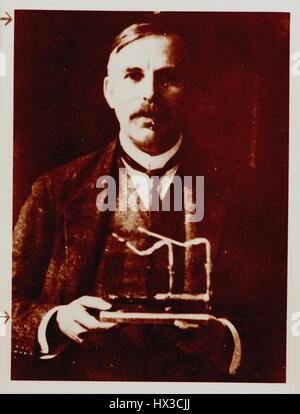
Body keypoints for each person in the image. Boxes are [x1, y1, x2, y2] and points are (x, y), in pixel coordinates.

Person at [12, 21, 278, 381]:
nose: (149, 93)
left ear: (192, 91)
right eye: (134, 76)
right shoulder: (54, 190)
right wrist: (56, 320)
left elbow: (283, 315)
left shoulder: (244, 193)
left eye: (167, 78)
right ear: (109, 91)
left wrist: (224, 338)